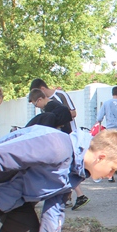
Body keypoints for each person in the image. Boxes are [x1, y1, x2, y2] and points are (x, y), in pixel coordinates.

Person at [30, 79, 88, 209]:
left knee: (63, 168)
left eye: (35, 104)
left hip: (65, 138)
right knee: (64, 168)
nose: (36, 107)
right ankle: (73, 196)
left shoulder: (57, 99)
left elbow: (71, 113)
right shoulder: (48, 107)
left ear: (41, 93)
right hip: (59, 139)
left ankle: (75, 195)